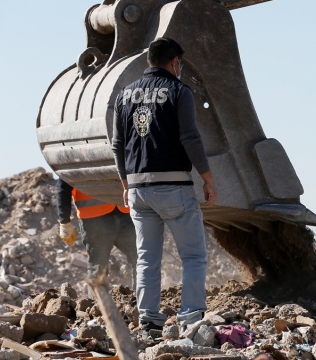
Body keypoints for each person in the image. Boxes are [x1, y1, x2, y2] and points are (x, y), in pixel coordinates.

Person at [111, 37, 217, 336]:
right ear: (174, 62)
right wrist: (208, 178)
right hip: (174, 188)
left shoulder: (124, 95)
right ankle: (191, 317)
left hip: (137, 189)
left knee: (147, 259)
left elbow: (118, 144)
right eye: (179, 63)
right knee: (194, 256)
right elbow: (190, 138)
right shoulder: (179, 92)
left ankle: (149, 320)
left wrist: (124, 183)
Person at [56, 177, 138, 297]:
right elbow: (64, 183)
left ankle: (141, 302)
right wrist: (64, 220)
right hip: (94, 218)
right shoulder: (77, 158)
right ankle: (98, 308)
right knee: (98, 266)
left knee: (140, 257)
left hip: (126, 212)